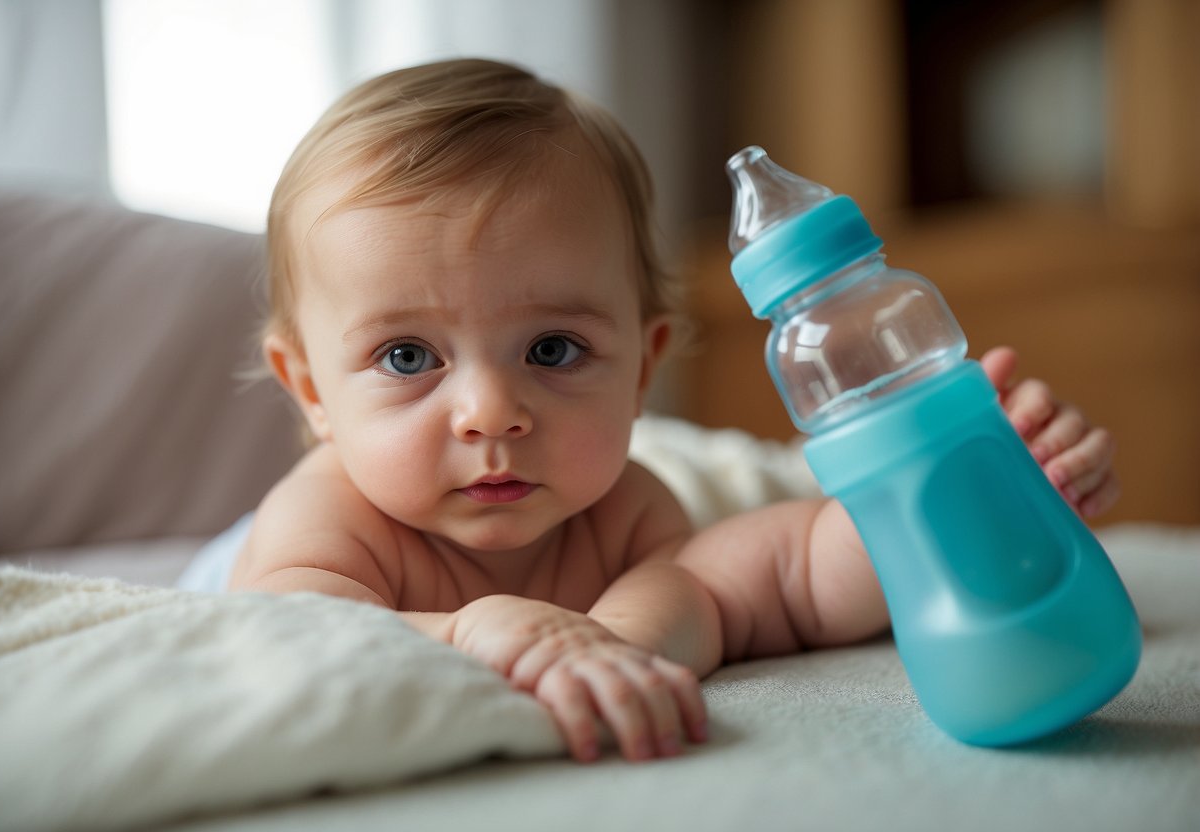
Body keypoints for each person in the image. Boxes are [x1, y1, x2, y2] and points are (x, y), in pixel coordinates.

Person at [213, 58, 1118, 764]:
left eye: (553, 350)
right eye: (407, 357)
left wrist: (977, 480)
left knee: (754, 501)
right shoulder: (328, 518)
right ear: (311, 392)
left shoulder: (629, 512)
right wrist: (473, 627)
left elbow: (793, 576)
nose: (491, 413)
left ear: (641, 367)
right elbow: (282, 628)